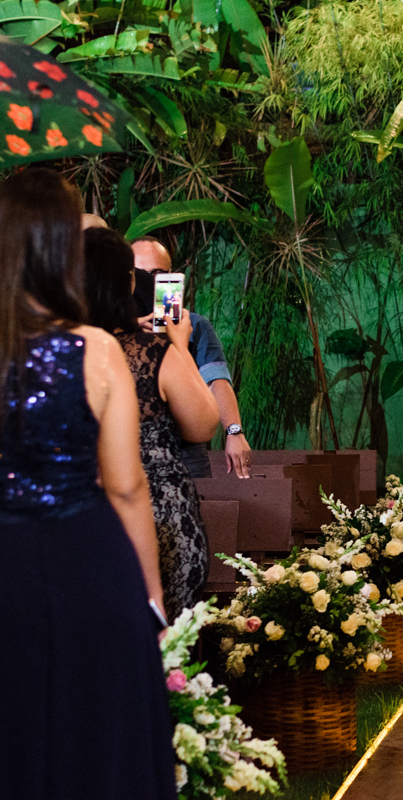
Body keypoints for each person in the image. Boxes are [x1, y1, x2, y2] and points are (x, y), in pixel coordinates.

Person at [0, 169, 176, 798]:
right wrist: (152, 599)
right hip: (87, 563)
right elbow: (126, 488)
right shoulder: (96, 351)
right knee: (93, 737)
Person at [85, 227, 220, 620]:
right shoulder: (153, 351)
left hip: (80, 519)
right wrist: (178, 344)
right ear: (129, 281)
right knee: (164, 640)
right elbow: (202, 426)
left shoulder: (53, 355)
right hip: (163, 520)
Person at [132, 237, 252, 479]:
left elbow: (216, 380)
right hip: (129, 449)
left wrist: (234, 431)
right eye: (141, 274)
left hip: (185, 449)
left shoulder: (194, 326)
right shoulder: (110, 330)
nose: (150, 282)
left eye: (158, 274)